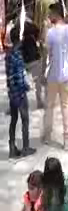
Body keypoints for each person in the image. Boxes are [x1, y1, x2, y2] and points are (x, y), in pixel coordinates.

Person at [43, 1, 68, 149]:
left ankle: (48, 135)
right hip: (66, 74)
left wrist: (43, 72)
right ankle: (67, 139)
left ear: (56, 14)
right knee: (66, 106)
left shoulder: (50, 33)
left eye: (50, 14)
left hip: (53, 75)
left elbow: (46, 55)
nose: (49, 16)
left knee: (49, 106)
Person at [6, 28, 34, 159]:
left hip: (11, 93)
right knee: (25, 120)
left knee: (13, 120)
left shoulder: (8, 54)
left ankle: (12, 147)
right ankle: (25, 147)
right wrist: (25, 87)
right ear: (19, 38)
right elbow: (18, 76)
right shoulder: (17, 55)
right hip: (20, 94)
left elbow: (12, 76)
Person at [21, 19, 44, 109]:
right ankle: (39, 102)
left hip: (24, 62)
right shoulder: (33, 38)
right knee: (37, 84)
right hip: (35, 61)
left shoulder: (22, 38)